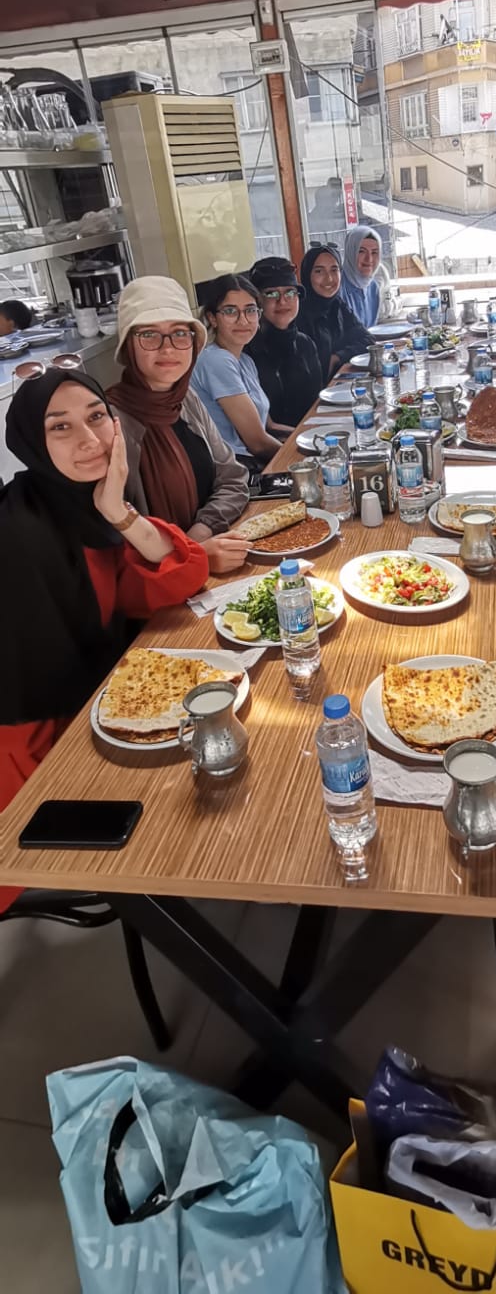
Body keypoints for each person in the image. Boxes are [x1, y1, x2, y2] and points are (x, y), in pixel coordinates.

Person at [0, 370, 209, 910]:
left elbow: (179, 576)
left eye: (97, 417)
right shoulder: (20, 534)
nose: (89, 439)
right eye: (60, 427)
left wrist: (118, 511)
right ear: (31, 441)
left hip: (98, 715)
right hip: (32, 757)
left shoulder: (83, 507)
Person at [109, 276, 251, 575]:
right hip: (159, 580)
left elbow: (232, 477)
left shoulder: (186, 399)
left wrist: (199, 534)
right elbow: (118, 539)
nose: (168, 348)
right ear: (128, 346)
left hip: (210, 554)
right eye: (149, 334)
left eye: (179, 333)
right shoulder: (111, 422)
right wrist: (192, 555)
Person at [191, 275, 284, 468]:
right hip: (236, 470)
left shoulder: (245, 362)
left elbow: (269, 427)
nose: (243, 321)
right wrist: (301, 460)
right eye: (230, 311)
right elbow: (257, 443)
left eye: (250, 310)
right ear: (212, 318)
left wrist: (310, 441)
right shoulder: (215, 361)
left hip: (252, 462)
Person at [248, 256, 323, 428]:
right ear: (256, 301)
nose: (282, 301)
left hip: (312, 434)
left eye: (290, 292)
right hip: (275, 442)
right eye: (271, 293)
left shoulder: (305, 345)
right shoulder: (247, 353)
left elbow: (317, 405)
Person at [297, 244, 372, 381]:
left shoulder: (337, 304)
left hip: (340, 383)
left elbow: (367, 340)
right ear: (307, 275)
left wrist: (338, 357)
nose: (329, 279)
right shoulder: (298, 313)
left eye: (334, 270)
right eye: (319, 271)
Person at [340, 227, 382, 326]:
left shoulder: (373, 287)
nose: (369, 259)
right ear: (351, 252)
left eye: (374, 252)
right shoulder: (336, 287)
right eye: (361, 251)